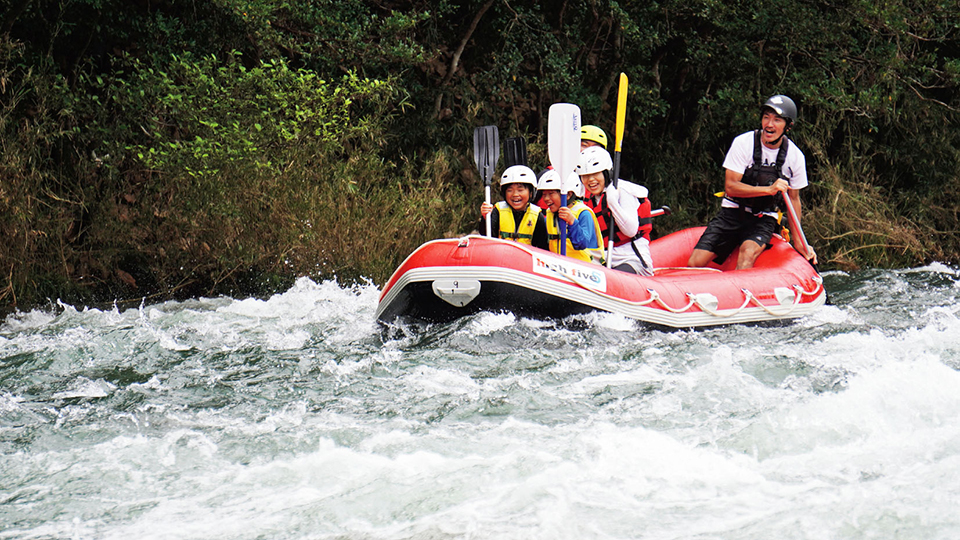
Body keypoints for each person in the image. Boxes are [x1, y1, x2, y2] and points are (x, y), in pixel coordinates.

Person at [688, 95, 818, 270]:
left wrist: (800, 243)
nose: (769, 124)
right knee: (695, 262)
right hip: (732, 212)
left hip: (764, 218)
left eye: (777, 120)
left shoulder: (795, 156)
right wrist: (769, 189)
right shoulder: (743, 143)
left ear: (788, 126)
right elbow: (731, 187)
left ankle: (740, 292)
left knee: (747, 254)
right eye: (766, 117)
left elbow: (794, 200)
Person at [577, 146, 654, 275]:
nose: (590, 180)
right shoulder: (588, 199)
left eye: (595, 174)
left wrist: (613, 203)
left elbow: (630, 230)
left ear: (606, 173)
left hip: (632, 260)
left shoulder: (621, 191)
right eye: (585, 176)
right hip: (603, 259)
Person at [537, 170, 604, 264]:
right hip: (559, 266)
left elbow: (582, 244)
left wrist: (572, 222)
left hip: (586, 268)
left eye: (551, 193)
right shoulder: (549, 215)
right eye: (544, 194)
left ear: (568, 195)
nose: (546, 199)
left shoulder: (583, 213)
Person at [479, 164, 549, 250]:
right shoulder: (498, 211)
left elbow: (542, 246)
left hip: (525, 259)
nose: (515, 194)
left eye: (520, 190)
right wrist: (485, 218)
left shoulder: (537, 215)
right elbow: (486, 235)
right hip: (501, 257)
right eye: (510, 190)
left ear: (531, 193)